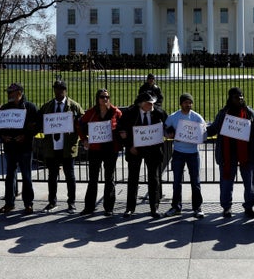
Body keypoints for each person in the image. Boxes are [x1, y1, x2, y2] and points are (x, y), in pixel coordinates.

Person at [207, 87, 254, 218]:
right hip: (227, 153)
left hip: (246, 153)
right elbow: (213, 129)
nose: (240, 98)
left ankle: (249, 206)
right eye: (236, 96)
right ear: (230, 98)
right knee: (226, 182)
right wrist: (196, 131)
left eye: (241, 96)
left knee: (250, 182)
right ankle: (226, 207)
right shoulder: (224, 113)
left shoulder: (249, 112)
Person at [118, 91, 167, 219]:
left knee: (154, 179)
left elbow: (168, 127)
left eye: (152, 103)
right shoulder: (130, 113)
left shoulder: (159, 112)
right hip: (135, 150)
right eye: (148, 103)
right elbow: (121, 130)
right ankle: (130, 208)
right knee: (133, 179)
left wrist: (169, 133)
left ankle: (154, 207)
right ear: (141, 104)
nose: (151, 105)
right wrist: (129, 146)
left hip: (153, 150)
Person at [38, 80, 83, 214]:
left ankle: (72, 203)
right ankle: (52, 202)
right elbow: (39, 122)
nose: (58, 92)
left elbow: (83, 123)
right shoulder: (47, 106)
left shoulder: (74, 106)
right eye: (56, 89)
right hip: (52, 147)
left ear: (65, 91)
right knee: (52, 175)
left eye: (61, 89)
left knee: (70, 176)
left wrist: (74, 124)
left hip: (67, 146)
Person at [77, 89, 123, 216]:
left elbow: (123, 126)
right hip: (95, 149)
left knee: (109, 179)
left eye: (107, 97)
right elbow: (79, 125)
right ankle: (89, 207)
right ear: (98, 99)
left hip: (111, 150)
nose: (105, 99)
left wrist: (122, 136)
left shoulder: (116, 112)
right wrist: (84, 139)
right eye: (102, 97)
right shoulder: (91, 112)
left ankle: (109, 207)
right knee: (93, 179)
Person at [0, 83, 39, 214]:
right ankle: (9, 203)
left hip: (25, 148)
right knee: (10, 177)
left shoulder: (30, 107)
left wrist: (25, 135)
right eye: (8, 92)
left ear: (19, 93)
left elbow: (37, 126)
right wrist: (3, 136)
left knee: (26, 176)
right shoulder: (4, 108)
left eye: (11, 93)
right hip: (10, 147)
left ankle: (28, 204)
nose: (9, 95)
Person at [164, 93, 206, 218]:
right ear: (181, 103)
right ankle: (176, 207)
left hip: (193, 153)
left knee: (195, 182)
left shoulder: (197, 117)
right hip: (178, 152)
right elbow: (165, 129)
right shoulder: (173, 117)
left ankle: (197, 207)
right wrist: (169, 135)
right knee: (177, 181)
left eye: (190, 103)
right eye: (186, 102)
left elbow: (204, 134)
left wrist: (199, 138)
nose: (188, 105)